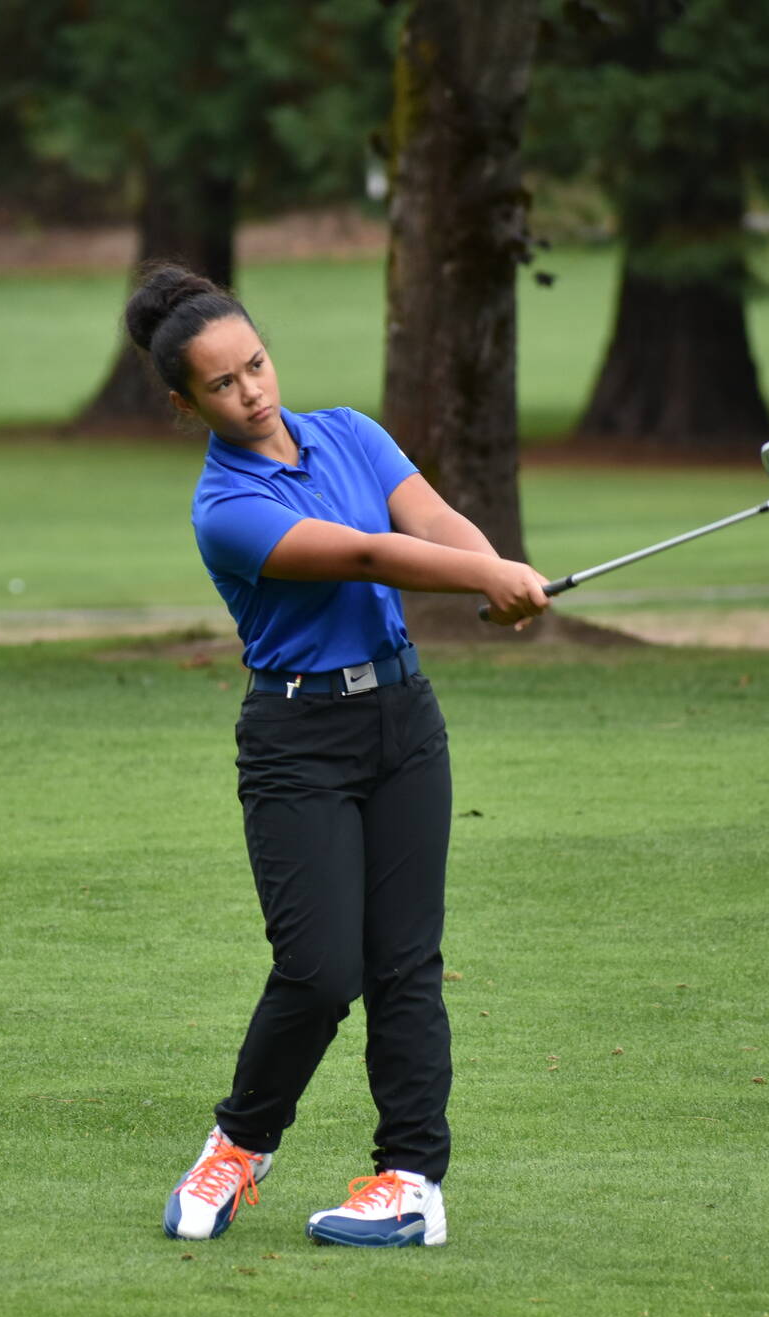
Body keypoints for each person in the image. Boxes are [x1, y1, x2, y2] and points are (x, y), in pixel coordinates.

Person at [124, 264, 550, 1248]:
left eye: (256, 364)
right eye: (222, 385)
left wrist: (488, 569)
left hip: (402, 723)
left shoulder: (351, 433)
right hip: (296, 740)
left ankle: (409, 1182)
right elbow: (366, 554)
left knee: (405, 960)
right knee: (317, 969)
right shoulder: (223, 510)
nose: (252, 391)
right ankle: (237, 1146)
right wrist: (484, 575)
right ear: (186, 403)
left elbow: (429, 521)